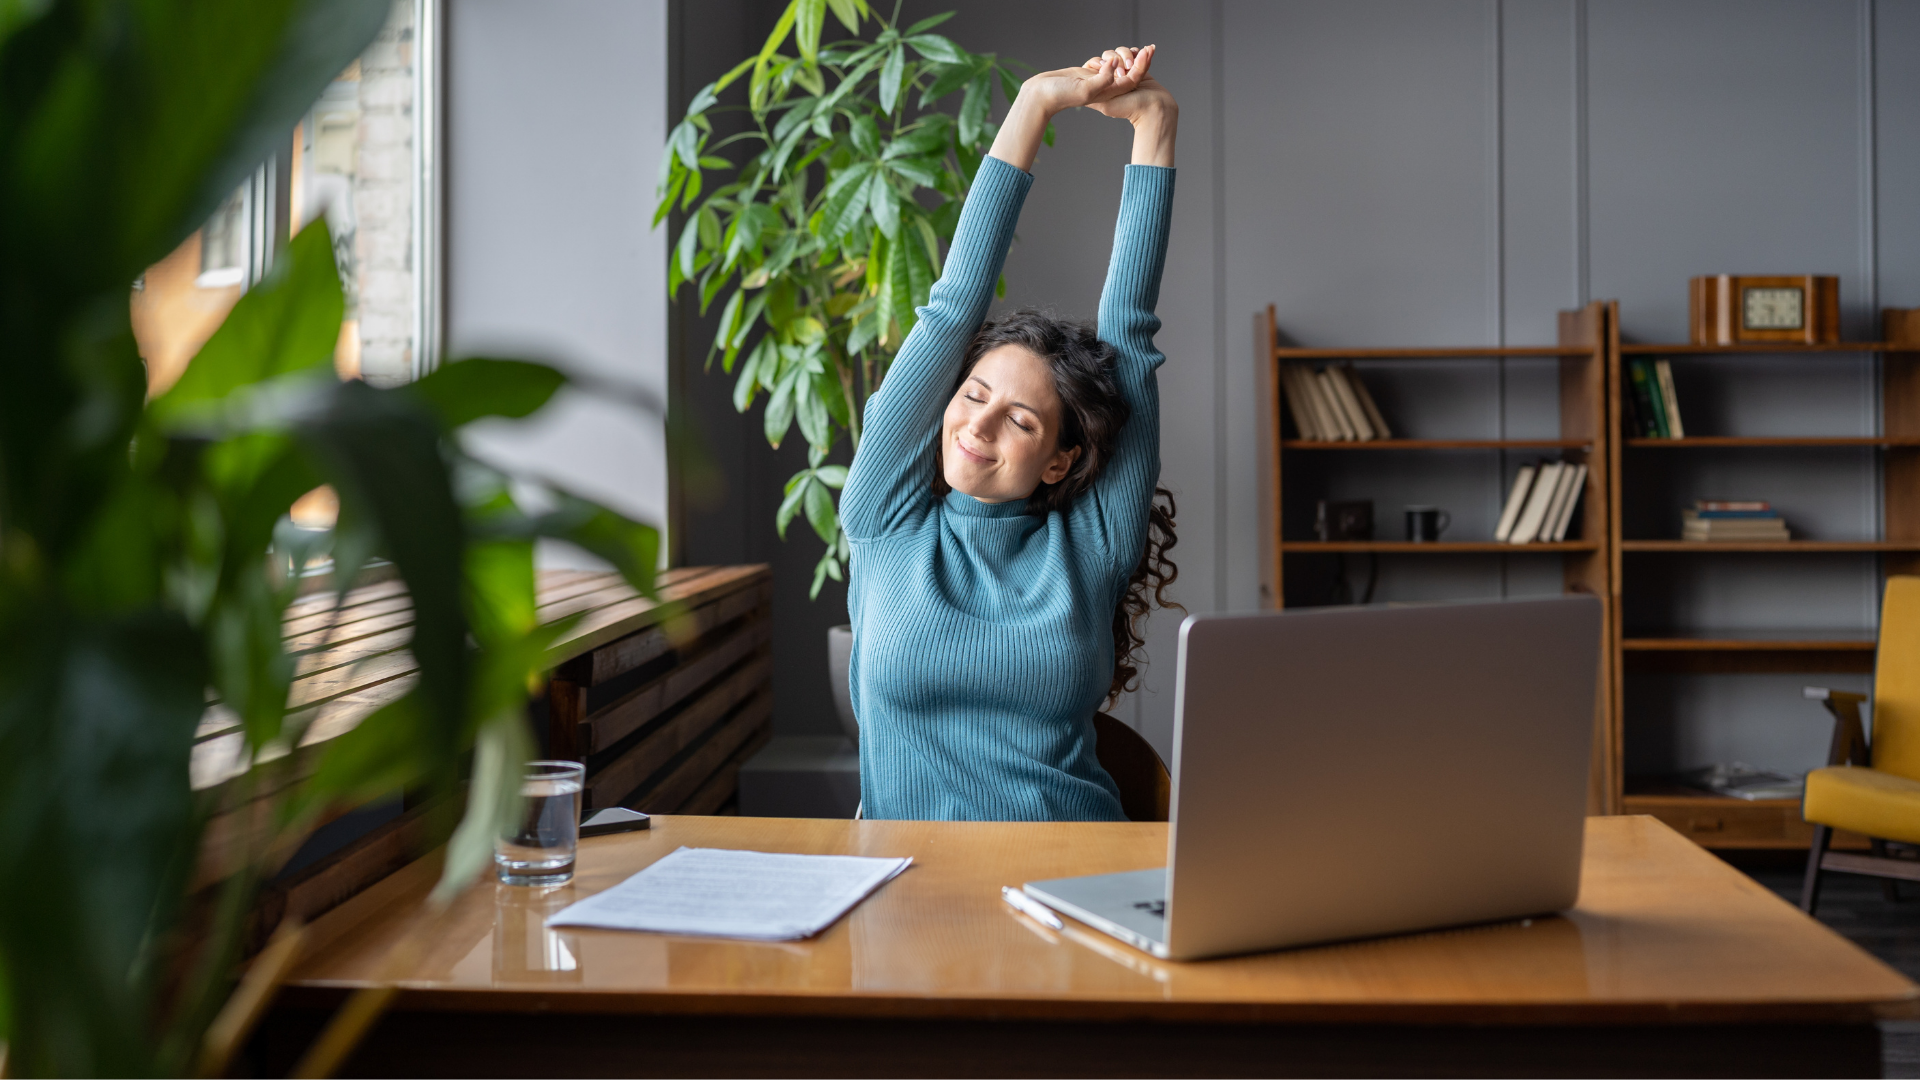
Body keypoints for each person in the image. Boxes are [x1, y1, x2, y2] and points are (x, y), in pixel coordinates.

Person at [840, 44, 1180, 821]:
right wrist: (1035, 103)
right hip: (906, 889)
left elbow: (1128, 336)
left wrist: (1155, 124)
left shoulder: (1090, 548)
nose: (977, 423)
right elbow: (953, 305)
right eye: (974, 393)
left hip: (1073, 875)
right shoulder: (885, 517)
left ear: (1061, 459)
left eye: (1021, 419)